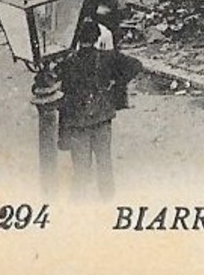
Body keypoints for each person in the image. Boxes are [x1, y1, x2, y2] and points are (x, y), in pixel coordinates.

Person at [56, 21, 141, 200]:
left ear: (77, 38)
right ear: (96, 38)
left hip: (78, 123)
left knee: (81, 169)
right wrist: (116, 82)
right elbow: (135, 65)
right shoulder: (107, 57)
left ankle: (78, 209)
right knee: (104, 163)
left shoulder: (68, 63)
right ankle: (108, 202)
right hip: (102, 118)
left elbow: (63, 96)